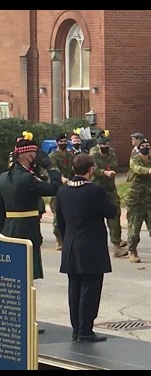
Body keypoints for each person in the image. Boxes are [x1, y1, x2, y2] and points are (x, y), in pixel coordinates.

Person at [0, 133, 63, 335]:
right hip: (26, 231)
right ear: (27, 156)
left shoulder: (3, 177)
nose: (37, 157)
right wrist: (51, 168)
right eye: (35, 154)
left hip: (8, 230)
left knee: (10, 279)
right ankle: (26, 321)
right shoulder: (27, 178)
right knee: (26, 281)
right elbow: (54, 188)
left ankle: (9, 319)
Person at [55, 154, 117, 343]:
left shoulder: (63, 191)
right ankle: (85, 329)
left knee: (74, 287)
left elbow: (60, 220)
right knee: (90, 287)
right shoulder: (94, 191)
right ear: (90, 170)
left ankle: (76, 328)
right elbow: (110, 211)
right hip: (91, 245)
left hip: (71, 243)